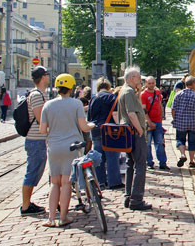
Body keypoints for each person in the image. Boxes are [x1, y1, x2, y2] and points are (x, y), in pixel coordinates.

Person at [39, 73, 95, 227]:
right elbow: (84, 127)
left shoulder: (48, 105)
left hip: (54, 147)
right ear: (71, 87)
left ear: (57, 87)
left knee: (54, 183)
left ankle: (51, 218)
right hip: (71, 147)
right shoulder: (76, 104)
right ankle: (63, 217)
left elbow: (43, 130)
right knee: (66, 183)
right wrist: (92, 125)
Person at [118, 66, 152, 211]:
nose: (141, 80)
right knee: (140, 165)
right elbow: (132, 114)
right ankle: (136, 199)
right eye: (139, 77)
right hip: (134, 133)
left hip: (128, 133)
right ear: (132, 78)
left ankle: (129, 197)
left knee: (131, 165)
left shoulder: (126, 91)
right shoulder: (129, 91)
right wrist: (140, 130)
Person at [20, 66, 50, 216]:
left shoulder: (41, 94)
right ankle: (25, 206)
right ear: (43, 77)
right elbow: (40, 119)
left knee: (35, 171)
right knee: (32, 171)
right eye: (47, 75)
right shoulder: (37, 95)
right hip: (35, 140)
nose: (49, 77)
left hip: (39, 140)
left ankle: (27, 204)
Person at [87, 77, 124, 190]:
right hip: (110, 130)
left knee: (99, 157)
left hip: (96, 129)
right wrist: (120, 127)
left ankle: (100, 181)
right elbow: (115, 114)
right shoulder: (112, 97)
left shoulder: (93, 99)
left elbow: (89, 117)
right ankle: (114, 182)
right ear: (108, 87)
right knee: (112, 156)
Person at [171, 75, 195, 168]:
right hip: (193, 123)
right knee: (192, 142)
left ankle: (182, 154)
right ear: (193, 84)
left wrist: (175, 119)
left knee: (180, 140)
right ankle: (191, 161)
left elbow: (173, 109)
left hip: (181, 123)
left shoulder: (178, 95)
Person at [141, 76, 169, 171]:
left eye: (153, 83)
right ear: (146, 83)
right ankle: (149, 162)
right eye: (149, 83)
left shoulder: (157, 93)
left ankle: (162, 163)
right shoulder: (143, 95)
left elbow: (160, 105)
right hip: (148, 122)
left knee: (160, 142)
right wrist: (149, 122)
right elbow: (143, 110)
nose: (151, 85)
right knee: (148, 144)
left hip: (158, 122)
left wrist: (161, 118)